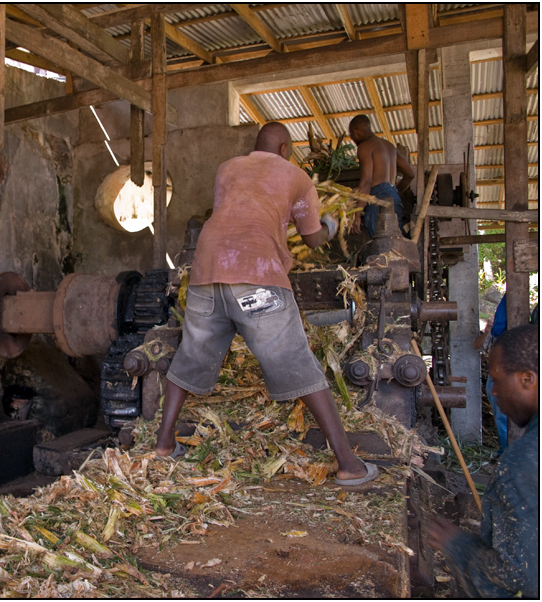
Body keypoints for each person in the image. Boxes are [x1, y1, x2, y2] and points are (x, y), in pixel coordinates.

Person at [154, 121, 378, 487]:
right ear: (286, 149)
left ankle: (163, 444)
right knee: (293, 359)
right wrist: (330, 226)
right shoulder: (296, 176)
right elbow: (312, 239)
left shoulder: (227, 168)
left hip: (206, 271)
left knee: (191, 354)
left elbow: (232, 216)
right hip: (256, 278)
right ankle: (349, 464)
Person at [427, 324, 539, 598]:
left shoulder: (524, 461)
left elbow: (517, 575)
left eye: (497, 379)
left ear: (527, 379)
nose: (494, 392)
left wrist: (458, 544)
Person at [348, 115, 415, 237]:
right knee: (396, 242)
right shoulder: (390, 147)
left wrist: (357, 214)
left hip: (377, 200)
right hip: (394, 198)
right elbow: (410, 174)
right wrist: (394, 192)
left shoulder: (365, 147)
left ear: (355, 133)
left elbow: (366, 182)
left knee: (381, 245)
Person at [473, 294, 508, 452]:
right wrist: (487, 331)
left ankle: (508, 450)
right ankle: (506, 449)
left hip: (505, 373)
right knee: (502, 415)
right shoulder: (495, 333)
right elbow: (476, 345)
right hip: (498, 374)